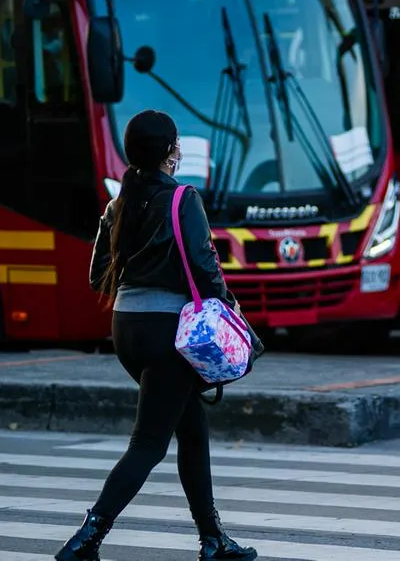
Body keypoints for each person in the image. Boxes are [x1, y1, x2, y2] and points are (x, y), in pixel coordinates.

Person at [55, 110, 258, 561]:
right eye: (177, 142)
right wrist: (229, 304)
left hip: (126, 329)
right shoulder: (183, 199)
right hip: (169, 334)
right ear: (170, 152)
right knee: (148, 444)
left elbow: (97, 276)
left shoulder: (118, 204)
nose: (179, 149)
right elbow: (205, 267)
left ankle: (212, 539)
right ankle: (85, 539)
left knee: (192, 429)